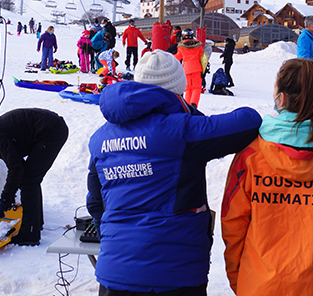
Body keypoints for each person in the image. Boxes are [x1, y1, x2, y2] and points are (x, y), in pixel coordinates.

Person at [86, 50, 261, 295]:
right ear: (177, 90)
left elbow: (96, 202)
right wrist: (188, 112)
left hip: (115, 273)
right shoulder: (183, 131)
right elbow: (248, 120)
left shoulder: (100, 138)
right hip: (176, 274)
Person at [221, 58, 313, 296]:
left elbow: (233, 225)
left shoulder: (251, 156)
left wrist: (242, 280)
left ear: (282, 98)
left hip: (259, 285)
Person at [0, 108, 69, 246]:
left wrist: (5, 199)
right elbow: (17, 165)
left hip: (51, 131)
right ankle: (36, 224)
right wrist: (9, 196)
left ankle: (30, 235)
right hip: (48, 129)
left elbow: (15, 168)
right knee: (29, 178)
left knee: (29, 180)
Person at [175, 29, 205, 108]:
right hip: (197, 69)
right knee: (197, 88)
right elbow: (201, 58)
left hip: (186, 70)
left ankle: (187, 106)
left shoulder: (181, 47)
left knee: (188, 89)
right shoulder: (199, 46)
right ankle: (194, 104)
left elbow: (177, 57)